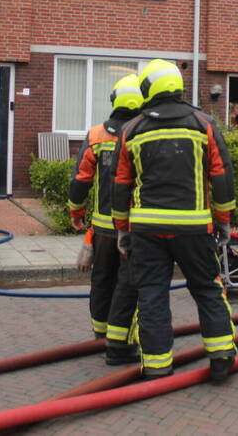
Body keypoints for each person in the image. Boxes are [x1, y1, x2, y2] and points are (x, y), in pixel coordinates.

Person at [112, 59, 237, 382]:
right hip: (194, 228)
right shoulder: (203, 124)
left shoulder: (132, 130)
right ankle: (221, 356)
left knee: (151, 293)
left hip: (147, 230)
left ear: (147, 89)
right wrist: (223, 221)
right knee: (208, 289)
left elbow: (121, 185)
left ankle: (156, 365)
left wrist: (122, 230)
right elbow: (222, 178)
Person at [67, 74, 143, 365]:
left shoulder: (97, 134)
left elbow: (80, 181)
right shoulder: (143, 134)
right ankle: (122, 340)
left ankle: (101, 334)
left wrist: (76, 212)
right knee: (129, 285)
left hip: (102, 229)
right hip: (134, 229)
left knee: (101, 281)